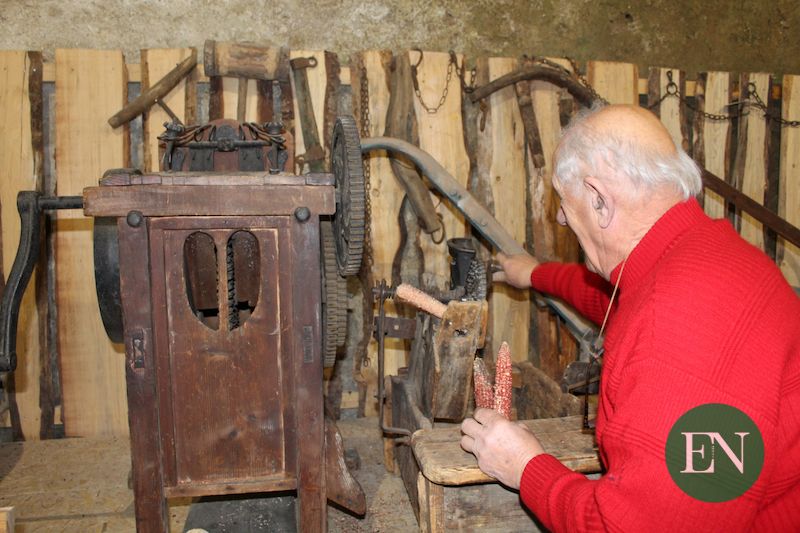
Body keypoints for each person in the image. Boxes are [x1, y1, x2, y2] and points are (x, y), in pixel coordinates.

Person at [460, 103, 800, 531]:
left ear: (600, 200)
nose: (561, 218)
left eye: (564, 201)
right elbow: (620, 301)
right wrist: (535, 274)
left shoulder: (671, 335)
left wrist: (525, 466)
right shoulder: (709, 255)